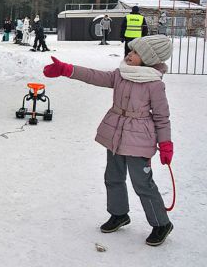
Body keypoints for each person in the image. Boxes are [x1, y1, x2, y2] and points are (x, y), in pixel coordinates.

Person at [43, 35, 175, 246]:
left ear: (148, 58)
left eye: (135, 52)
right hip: (115, 133)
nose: (129, 54)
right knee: (113, 176)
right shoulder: (121, 74)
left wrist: (166, 144)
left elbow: (161, 116)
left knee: (142, 183)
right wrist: (68, 69)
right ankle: (119, 214)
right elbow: (95, 76)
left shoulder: (154, 84)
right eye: (130, 51)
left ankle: (161, 223)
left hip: (139, 138)